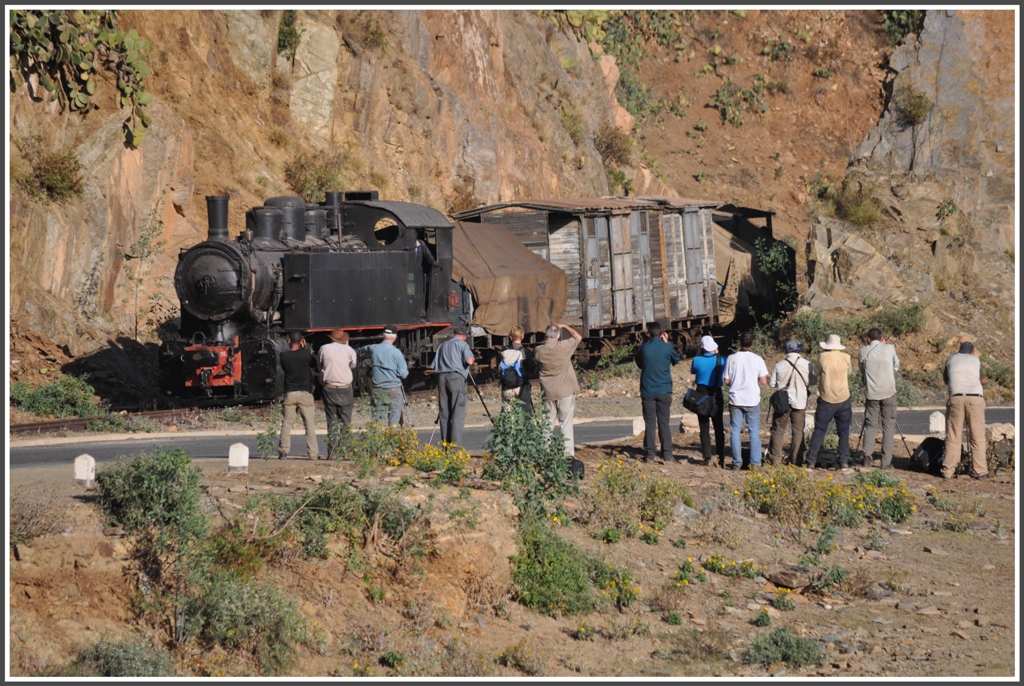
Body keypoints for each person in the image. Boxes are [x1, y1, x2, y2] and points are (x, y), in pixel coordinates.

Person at [533, 322, 583, 457]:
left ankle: (544, 454)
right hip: (565, 392)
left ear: (545, 335)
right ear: (559, 336)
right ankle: (567, 456)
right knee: (565, 424)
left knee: (547, 425)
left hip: (548, 393)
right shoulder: (564, 347)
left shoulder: (538, 351)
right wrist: (565, 326)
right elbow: (578, 336)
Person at [634, 322, 681, 463]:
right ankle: (667, 453)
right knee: (664, 422)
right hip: (664, 390)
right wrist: (667, 342)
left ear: (648, 334)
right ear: (661, 334)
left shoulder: (644, 348)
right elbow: (676, 360)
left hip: (648, 390)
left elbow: (639, 364)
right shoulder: (667, 348)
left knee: (649, 422)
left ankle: (650, 454)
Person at [941, 341, 988, 480]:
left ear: (959, 350)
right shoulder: (975, 360)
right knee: (977, 436)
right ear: (972, 351)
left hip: (956, 398)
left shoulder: (951, 359)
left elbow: (946, 380)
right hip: (975, 399)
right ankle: (979, 471)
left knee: (953, 435)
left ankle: (948, 470)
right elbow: (983, 380)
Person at [805, 334, 853, 471]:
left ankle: (811, 461)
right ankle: (843, 462)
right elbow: (848, 372)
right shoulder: (847, 357)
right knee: (843, 431)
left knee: (819, 430)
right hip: (843, 398)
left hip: (826, 399)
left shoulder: (823, 357)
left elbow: (815, 372)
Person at [722, 331, 769, 470]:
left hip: (736, 399)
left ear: (739, 343)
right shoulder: (758, 359)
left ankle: (737, 462)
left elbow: (726, 380)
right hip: (752, 399)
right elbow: (764, 381)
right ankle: (755, 463)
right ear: (753, 343)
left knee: (735, 431)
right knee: (753, 432)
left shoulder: (731, 358)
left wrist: (736, 384)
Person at [767, 339, 815, 466]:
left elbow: (772, 383)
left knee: (778, 430)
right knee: (798, 430)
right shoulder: (807, 364)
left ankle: (775, 459)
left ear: (786, 350)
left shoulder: (779, 364)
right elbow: (813, 381)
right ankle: (796, 459)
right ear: (800, 349)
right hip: (800, 401)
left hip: (782, 402)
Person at [859, 328, 900, 469]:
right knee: (888, 426)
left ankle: (866, 457)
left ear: (868, 339)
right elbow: (896, 365)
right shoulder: (889, 348)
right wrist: (885, 346)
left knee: (870, 426)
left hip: (872, 394)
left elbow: (862, 370)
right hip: (888, 392)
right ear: (881, 338)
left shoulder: (863, 351)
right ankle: (886, 462)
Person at [278, 331, 319, 460]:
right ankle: (313, 454)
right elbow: (315, 363)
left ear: (289, 340)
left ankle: (283, 451)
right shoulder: (306, 354)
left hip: (290, 392)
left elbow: (285, 368)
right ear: (301, 341)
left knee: (287, 423)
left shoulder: (283, 356)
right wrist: (306, 347)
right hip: (305, 393)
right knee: (309, 425)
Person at [432, 326, 475, 447]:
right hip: (456, 378)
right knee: (457, 411)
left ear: (453, 335)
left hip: (441, 378)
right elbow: (470, 361)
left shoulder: (442, 346)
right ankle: (455, 447)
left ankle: (446, 444)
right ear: (465, 337)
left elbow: (434, 365)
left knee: (444, 412)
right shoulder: (462, 345)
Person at [319, 328, 357, 458]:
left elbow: (320, 364)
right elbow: (353, 365)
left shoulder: (324, 349)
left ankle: (332, 452)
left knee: (332, 422)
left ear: (331, 338)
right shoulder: (350, 351)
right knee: (346, 421)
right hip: (345, 388)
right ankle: (345, 451)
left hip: (329, 387)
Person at [691, 335, 727, 467]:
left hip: (701, 393)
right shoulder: (722, 359)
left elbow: (693, 371)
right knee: (718, 426)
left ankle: (707, 457)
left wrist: (699, 352)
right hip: (716, 393)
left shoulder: (696, 360)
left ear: (702, 347)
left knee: (704, 426)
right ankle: (721, 456)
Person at [362, 325, 409, 427]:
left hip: (378, 389)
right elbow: (404, 374)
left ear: (383, 335)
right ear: (395, 337)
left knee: (377, 422)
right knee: (394, 422)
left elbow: (364, 349)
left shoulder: (374, 349)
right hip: (393, 388)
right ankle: (393, 439)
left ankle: (378, 440)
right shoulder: (396, 352)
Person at [500, 324, 535, 414]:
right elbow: (532, 369)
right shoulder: (526, 351)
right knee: (526, 413)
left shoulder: (503, 351)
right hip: (522, 386)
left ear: (510, 337)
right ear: (522, 337)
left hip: (506, 386)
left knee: (507, 415)